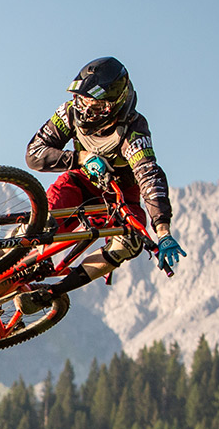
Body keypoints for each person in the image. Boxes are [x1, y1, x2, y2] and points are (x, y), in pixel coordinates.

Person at [19, 57, 186, 313]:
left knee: (129, 244)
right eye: (83, 101)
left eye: (95, 107)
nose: (86, 111)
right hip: (79, 181)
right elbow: (35, 154)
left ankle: (51, 293)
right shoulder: (69, 112)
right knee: (41, 219)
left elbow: (149, 175)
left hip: (120, 200)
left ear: (114, 105)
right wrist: (80, 158)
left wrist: (162, 231)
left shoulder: (133, 131)